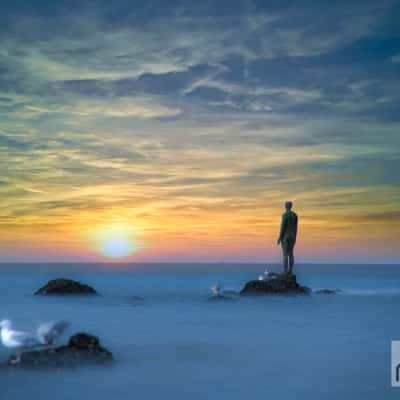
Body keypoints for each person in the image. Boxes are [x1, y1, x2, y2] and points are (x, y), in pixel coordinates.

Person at [277, 201, 298, 275]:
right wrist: (295, 237)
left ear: (286, 206)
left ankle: (285, 272)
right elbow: (296, 228)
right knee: (291, 254)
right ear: (291, 206)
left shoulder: (285, 215)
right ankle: (290, 271)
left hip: (285, 236)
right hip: (292, 236)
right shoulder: (295, 215)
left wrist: (279, 237)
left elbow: (283, 227)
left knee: (285, 254)